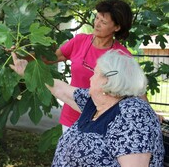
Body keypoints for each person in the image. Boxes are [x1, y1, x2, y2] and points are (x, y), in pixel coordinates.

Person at [10, 49, 164, 166]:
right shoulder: (97, 102)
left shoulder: (134, 115)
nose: (90, 77)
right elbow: (61, 89)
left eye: (95, 73)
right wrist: (28, 73)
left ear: (107, 80)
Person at [49, 0, 133, 132]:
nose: (97, 24)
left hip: (100, 122)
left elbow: (136, 90)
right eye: (97, 18)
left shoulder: (122, 57)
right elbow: (51, 58)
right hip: (71, 118)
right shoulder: (79, 41)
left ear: (117, 27)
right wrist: (24, 56)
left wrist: (149, 113)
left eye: (103, 22)